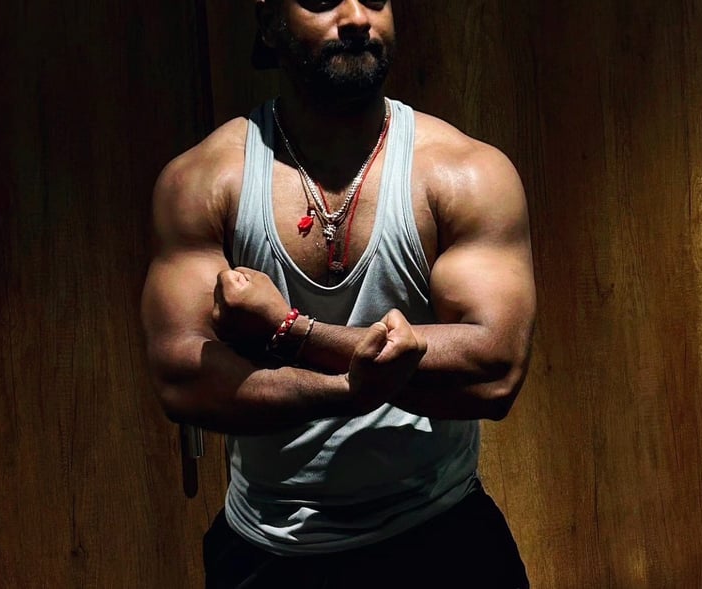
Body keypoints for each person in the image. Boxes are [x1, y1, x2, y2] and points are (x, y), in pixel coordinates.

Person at [141, 0, 536, 586]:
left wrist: (292, 333)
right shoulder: (205, 181)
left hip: (441, 534)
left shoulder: (465, 172)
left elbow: (495, 371)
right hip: (270, 550)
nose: (356, 17)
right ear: (269, 23)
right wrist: (352, 389)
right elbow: (183, 380)